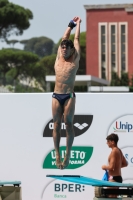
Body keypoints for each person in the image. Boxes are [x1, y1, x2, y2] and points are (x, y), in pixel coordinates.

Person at [52, 17, 81, 169]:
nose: (63, 50)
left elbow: (75, 39)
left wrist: (78, 25)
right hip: (56, 95)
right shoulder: (59, 56)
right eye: (62, 48)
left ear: (71, 50)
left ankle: (68, 154)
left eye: (66, 48)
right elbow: (65, 37)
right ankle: (57, 154)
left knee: (68, 124)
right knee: (56, 124)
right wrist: (70, 24)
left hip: (69, 95)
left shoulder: (74, 59)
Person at [102, 133, 128, 197]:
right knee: (114, 197)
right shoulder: (119, 150)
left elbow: (111, 167)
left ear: (113, 142)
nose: (106, 143)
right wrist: (117, 167)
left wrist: (104, 167)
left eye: (108, 141)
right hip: (118, 178)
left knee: (109, 197)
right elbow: (125, 164)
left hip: (114, 179)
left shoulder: (114, 151)